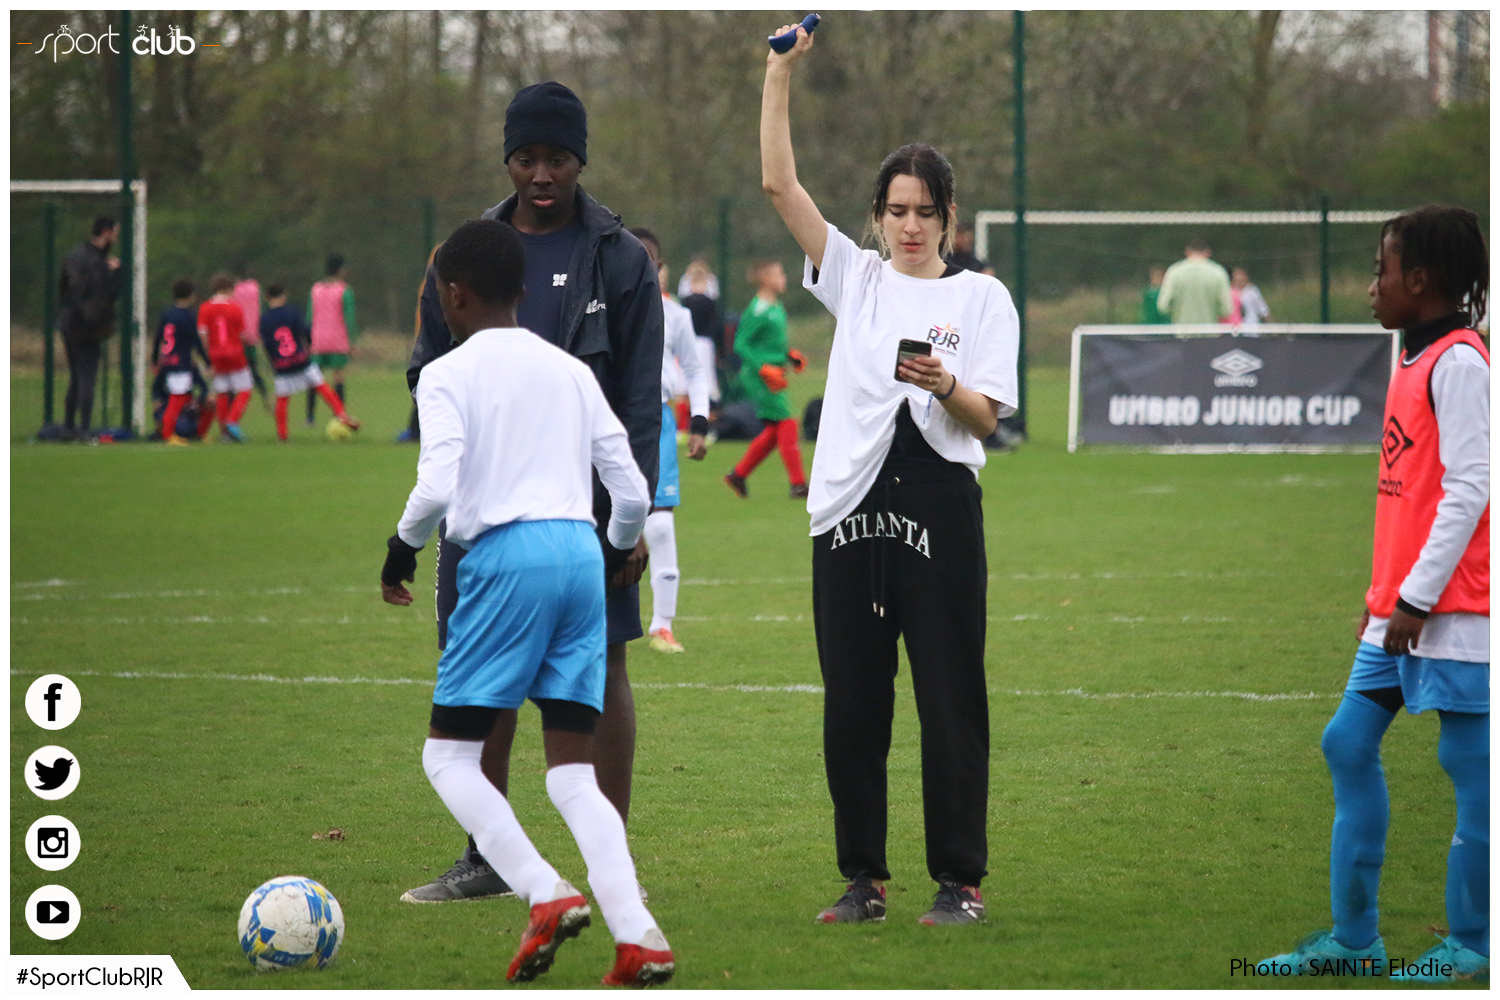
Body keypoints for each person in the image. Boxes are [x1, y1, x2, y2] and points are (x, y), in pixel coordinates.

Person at [762, 22, 1018, 926]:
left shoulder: (981, 298)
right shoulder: (857, 278)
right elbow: (780, 185)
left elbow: (988, 419)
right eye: (897, 210)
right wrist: (778, 74)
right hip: (849, 509)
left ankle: (960, 881)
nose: (910, 226)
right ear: (878, 215)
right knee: (854, 708)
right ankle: (864, 881)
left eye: (925, 211)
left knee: (951, 701)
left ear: (950, 217)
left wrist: (945, 384)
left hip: (940, 504)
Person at [382, 219, 672, 987]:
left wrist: (401, 549)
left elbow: (436, 487)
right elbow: (630, 490)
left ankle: (544, 892)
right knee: (571, 772)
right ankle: (639, 936)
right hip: (579, 553)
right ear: (519, 288)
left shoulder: (446, 373)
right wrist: (615, 546)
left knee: (447, 756)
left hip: (504, 557)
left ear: (453, 295)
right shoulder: (570, 371)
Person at [401, 80, 664, 905]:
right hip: (482, 511)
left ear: (581, 159)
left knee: (604, 669)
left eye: (557, 158)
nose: (541, 174)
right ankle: (486, 859)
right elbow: (425, 372)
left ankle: (608, 858)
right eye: (526, 158)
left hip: (586, 515)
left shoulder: (619, 258)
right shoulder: (464, 255)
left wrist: (630, 523)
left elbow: (639, 403)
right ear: (507, 160)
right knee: (481, 676)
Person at [1260, 205, 1489, 982]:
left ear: (1419, 280)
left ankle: (1474, 944)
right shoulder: (1414, 355)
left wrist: (1416, 598)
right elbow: (1408, 493)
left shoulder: (1461, 363)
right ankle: (1355, 944)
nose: (1371, 286)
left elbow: (1470, 488)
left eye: (1380, 271)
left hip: (1455, 609)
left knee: (1470, 763)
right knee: (1347, 742)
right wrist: (1384, 592)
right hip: (1401, 606)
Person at [628, 228, 711, 655]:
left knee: (658, 524)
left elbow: (694, 370)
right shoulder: (601, 308)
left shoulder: (676, 316)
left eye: (649, 261)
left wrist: (698, 422)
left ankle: (662, 625)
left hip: (656, 421)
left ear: (659, 268)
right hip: (607, 421)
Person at [723, 260, 809, 500]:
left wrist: (789, 356)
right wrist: (763, 368)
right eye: (779, 274)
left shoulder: (776, 306)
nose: (784, 278)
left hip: (774, 373)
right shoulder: (758, 309)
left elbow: (769, 344)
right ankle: (798, 484)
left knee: (774, 430)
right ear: (765, 279)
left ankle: (738, 475)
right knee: (788, 421)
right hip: (759, 377)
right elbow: (741, 344)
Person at [259, 283, 361, 442]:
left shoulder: (264, 319)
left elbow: (266, 343)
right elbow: (306, 330)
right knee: (322, 387)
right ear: (284, 296)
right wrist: (308, 345)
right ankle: (342, 415)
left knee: (282, 400)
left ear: (266, 297)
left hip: (281, 363)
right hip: (300, 359)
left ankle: (282, 435)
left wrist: (274, 360)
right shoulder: (291, 312)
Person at [57, 215, 124, 438]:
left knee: (76, 376)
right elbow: (107, 293)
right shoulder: (98, 262)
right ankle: (84, 428)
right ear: (106, 232)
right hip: (89, 325)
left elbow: (65, 288)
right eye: (115, 233)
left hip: (68, 321)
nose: (116, 238)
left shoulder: (75, 255)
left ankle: (68, 427)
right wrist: (117, 273)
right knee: (88, 376)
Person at [151, 278, 211, 445]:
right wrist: (207, 362)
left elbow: (158, 337)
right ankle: (168, 434)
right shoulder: (188, 316)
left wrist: (154, 360)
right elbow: (196, 341)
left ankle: (190, 432)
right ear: (191, 295)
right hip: (180, 362)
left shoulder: (168, 313)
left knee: (185, 398)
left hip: (167, 361)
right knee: (177, 400)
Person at [198, 273, 253, 443]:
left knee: (222, 391)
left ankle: (224, 432)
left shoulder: (205, 308)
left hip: (216, 354)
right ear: (229, 289)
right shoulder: (235, 307)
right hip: (234, 353)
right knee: (245, 388)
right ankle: (232, 421)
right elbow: (242, 334)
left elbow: (203, 333)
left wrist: (209, 351)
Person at [307, 254, 357, 424]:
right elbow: (349, 318)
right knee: (338, 377)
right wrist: (352, 341)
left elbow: (309, 316)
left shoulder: (315, 289)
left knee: (314, 378)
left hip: (318, 339)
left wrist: (307, 339)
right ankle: (339, 414)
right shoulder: (345, 290)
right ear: (340, 270)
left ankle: (310, 417)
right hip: (338, 340)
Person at [1157, 238, 1232, 324]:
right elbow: (1226, 310)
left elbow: (1163, 306)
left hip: (1182, 329)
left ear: (1187, 252)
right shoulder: (1218, 273)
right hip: (1209, 329)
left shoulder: (1174, 272)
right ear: (1208, 252)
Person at [233, 266, 271, 407]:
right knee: (252, 366)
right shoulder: (254, 288)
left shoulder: (234, 290)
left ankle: (235, 399)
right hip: (252, 333)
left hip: (237, 335)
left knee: (237, 369)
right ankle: (265, 395)